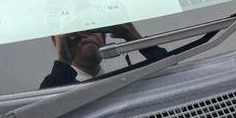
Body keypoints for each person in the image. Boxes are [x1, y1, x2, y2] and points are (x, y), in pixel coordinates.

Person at [39, 23, 167, 89]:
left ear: (104, 37)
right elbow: (42, 111)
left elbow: (171, 76)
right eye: (75, 29)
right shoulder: (56, 86)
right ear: (57, 42)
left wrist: (135, 38)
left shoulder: (127, 82)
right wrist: (63, 60)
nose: (85, 34)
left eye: (92, 27)